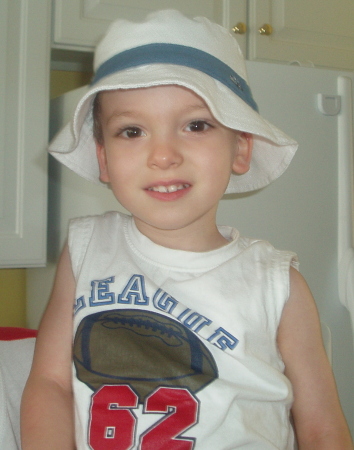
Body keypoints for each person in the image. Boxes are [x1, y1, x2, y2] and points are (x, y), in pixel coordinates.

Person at [21, 9, 353, 450]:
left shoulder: (277, 283)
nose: (163, 154)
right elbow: (50, 384)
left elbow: (322, 428)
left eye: (196, 125)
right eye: (132, 130)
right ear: (103, 159)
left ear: (241, 147)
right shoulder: (86, 248)